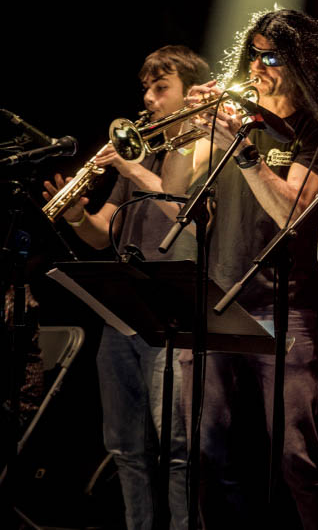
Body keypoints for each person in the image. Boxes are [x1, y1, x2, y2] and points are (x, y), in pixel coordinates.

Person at [186, 9, 318, 530]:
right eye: (253, 53)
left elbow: (291, 211)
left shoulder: (315, 125)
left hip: (282, 305)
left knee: (295, 455)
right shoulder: (238, 115)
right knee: (209, 448)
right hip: (219, 298)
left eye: (272, 55)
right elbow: (188, 194)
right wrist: (205, 133)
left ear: (300, 61)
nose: (258, 65)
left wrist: (242, 148)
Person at [40, 45, 210, 530]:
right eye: (146, 88)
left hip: (173, 316)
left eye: (161, 88)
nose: (149, 98)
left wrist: (132, 168)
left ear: (190, 94)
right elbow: (103, 232)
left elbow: (186, 217)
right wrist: (77, 218)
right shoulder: (144, 152)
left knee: (178, 450)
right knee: (124, 447)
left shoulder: (203, 151)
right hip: (123, 317)